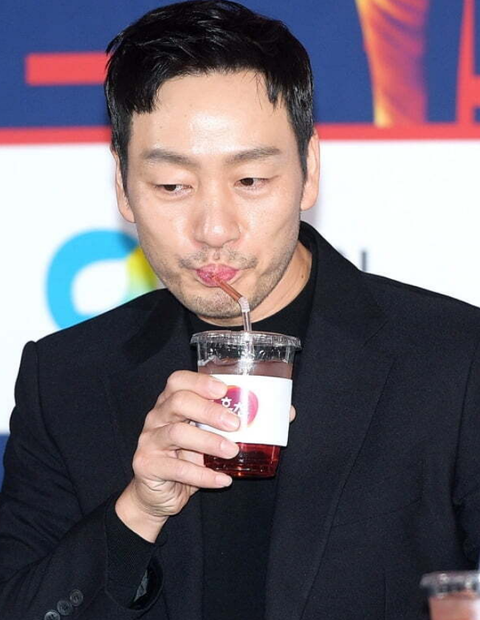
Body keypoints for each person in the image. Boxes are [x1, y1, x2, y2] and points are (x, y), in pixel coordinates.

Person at [1, 1, 480, 619]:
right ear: (122, 187)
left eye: (250, 180)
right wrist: (137, 512)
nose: (213, 228)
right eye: (172, 186)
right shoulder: (67, 377)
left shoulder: (454, 361)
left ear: (308, 172)